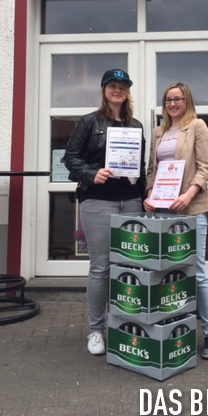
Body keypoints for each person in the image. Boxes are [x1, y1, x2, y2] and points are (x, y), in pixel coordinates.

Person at [63, 69, 145, 356]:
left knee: (130, 266)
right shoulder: (89, 122)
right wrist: (90, 173)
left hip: (131, 202)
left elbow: (139, 166)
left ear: (127, 91)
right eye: (112, 85)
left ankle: (123, 323)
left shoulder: (136, 125)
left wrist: (145, 196)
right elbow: (69, 157)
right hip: (98, 201)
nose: (117, 90)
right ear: (104, 90)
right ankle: (96, 330)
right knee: (101, 266)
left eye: (122, 85)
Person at [143, 82, 208, 359]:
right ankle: (173, 327)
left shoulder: (197, 126)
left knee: (197, 272)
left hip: (192, 207)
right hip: (162, 210)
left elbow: (205, 168)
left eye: (178, 99)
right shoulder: (158, 132)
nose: (173, 103)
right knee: (167, 271)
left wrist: (188, 195)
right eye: (168, 99)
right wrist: (149, 195)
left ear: (187, 101)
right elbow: (152, 169)